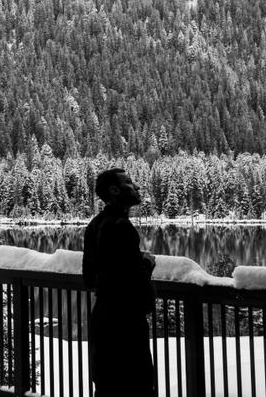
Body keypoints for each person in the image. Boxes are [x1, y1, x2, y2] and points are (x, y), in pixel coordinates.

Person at [83, 168, 156, 397]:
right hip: (125, 327)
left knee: (106, 388)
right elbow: (131, 281)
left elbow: (89, 278)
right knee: (136, 387)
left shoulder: (95, 224)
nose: (136, 186)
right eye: (129, 182)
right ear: (115, 191)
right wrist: (146, 264)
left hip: (102, 321)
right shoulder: (121, 227)